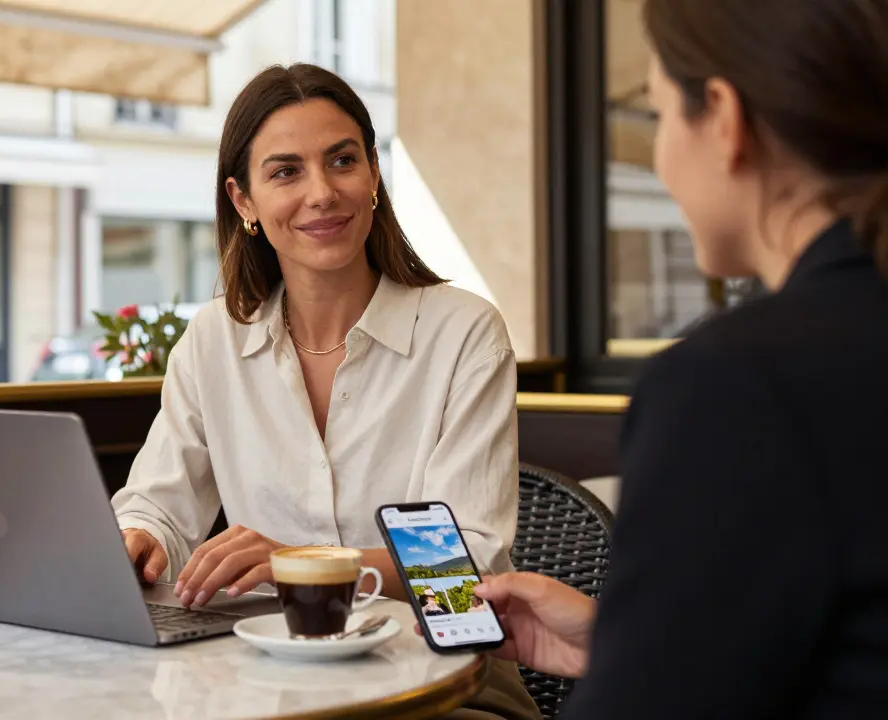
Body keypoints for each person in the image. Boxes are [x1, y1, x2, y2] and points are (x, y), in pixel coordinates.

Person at [439, 1, 888, 718]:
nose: (660, 157)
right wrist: (620, 643)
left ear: (724, 118)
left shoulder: (737, 383)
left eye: (658, 116)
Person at [111, 63, 540, 719]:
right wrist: (139, 537)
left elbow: (464, 572)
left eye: (342, 161)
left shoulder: (464, 334)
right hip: (271, 689)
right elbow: (159, 507)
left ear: (373, 175)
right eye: (286, 172)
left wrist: (301, 562)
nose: (322, 192)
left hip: (447, 694)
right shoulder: (213, 340)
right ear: (244, 201)